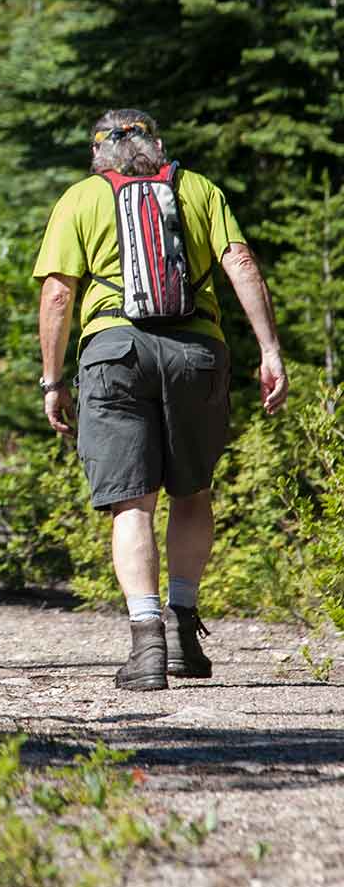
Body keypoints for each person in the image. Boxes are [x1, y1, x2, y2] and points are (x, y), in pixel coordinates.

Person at [33, 108, 288, 691]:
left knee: (133, 503)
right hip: (197, 353)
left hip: (113, 355)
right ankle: (182, 629)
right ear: (158, 146)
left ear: (98, 156)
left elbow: (56, 294)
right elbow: (240, 262)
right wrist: (269, 349)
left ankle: (146, 643)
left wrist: (52, 380)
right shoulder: (197, 189)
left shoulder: (80, 199)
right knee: (193, 492)